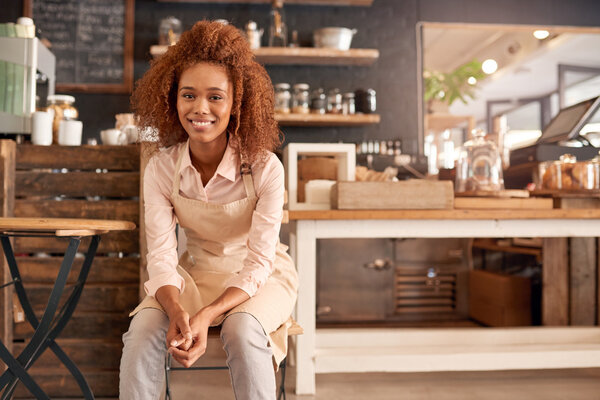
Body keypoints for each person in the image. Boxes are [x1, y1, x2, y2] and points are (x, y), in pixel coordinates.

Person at [119, 20, 299, 400]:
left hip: (260, 276)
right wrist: (176, 309)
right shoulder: (161, 168)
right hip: (195, 273)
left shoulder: (265, 167)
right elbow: (163, 258)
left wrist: (207, 314)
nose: (200, 108)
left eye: (215, 96)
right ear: (173, 99)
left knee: (242, 329)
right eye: (189, 95)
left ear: (236, 104)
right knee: (141, 330)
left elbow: (258, 262)